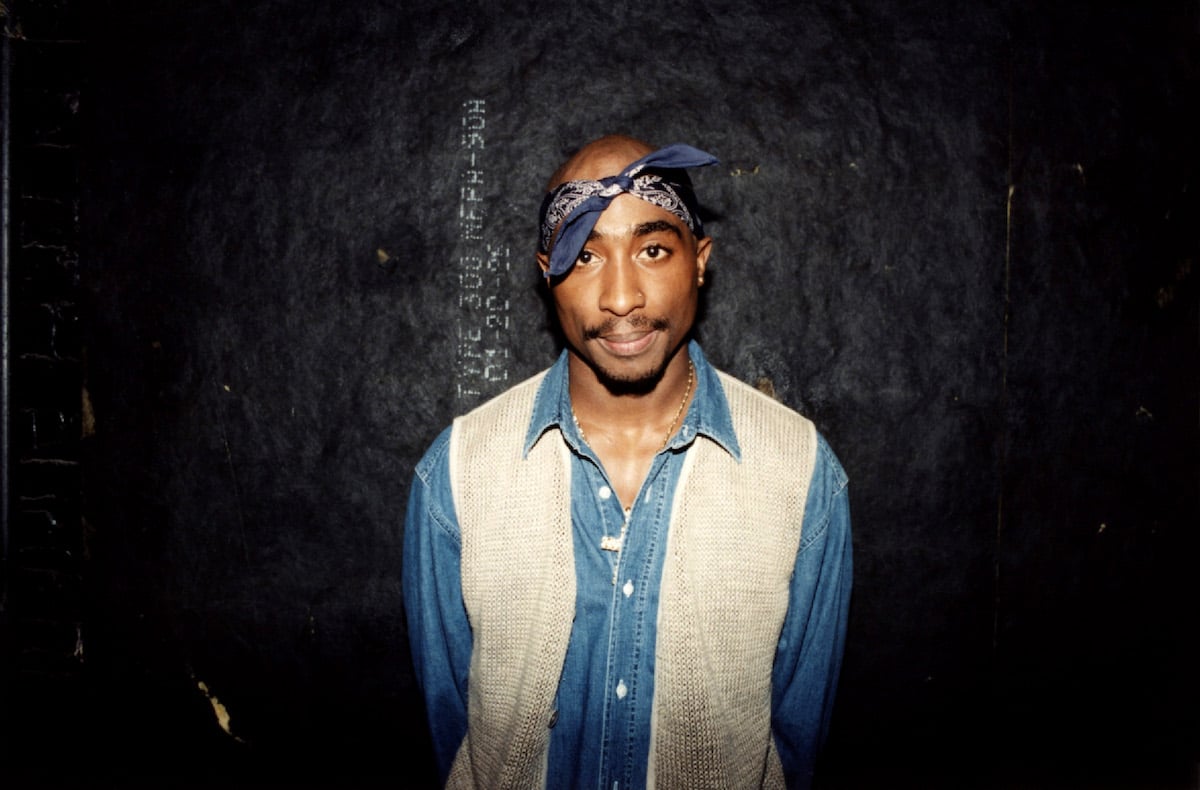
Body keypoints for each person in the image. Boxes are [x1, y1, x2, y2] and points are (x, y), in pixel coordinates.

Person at [403, 134, 852, 790]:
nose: (621, 298)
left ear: (699, 261)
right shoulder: (457, 475)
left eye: (651, 250)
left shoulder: (801, 475)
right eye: (584, 256)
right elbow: (454, 735)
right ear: (547, 276)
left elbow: (797, 742)